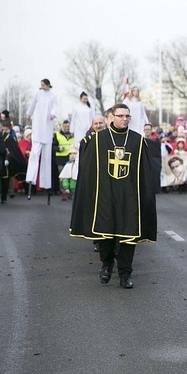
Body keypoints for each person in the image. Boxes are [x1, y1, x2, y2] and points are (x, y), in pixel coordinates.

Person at [70, 103, 160, 288]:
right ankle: (107, 264)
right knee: (106, 234)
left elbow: (145, 173)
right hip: (106, 196)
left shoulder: (137, 141)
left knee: (129, 237)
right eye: (120, 116)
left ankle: (125, 273)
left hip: (129, 197)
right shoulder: (97, 140)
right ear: (111, 117)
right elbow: (88, 170)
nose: (124, 119)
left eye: (127, 116)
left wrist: (146, 197)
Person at [26, 79, 57, 192]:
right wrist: (29, 114)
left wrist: (53, 114)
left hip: (47, 128)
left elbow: (54, 107)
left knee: (46, 158)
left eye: (43, 84)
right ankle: (31, 177)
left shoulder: (53, 96)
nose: (41, 86)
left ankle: (46, 183)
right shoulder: (38, 94)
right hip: (38, 127)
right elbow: (32, 104)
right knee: (34, 153)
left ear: (48, 85)